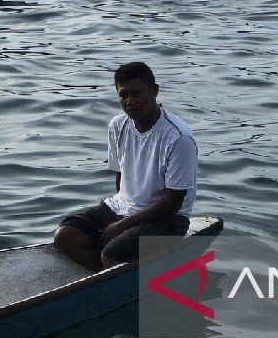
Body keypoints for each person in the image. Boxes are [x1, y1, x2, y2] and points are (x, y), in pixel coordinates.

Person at [54, 62, 198, 271]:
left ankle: (113, 279)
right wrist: (121, 218)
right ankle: (104, 279)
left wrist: (122, 226)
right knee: (65, 236)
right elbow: (120, 175)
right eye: (123, 95)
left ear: (155, 91)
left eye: (138, 93)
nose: (130, 101)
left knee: (112, 254)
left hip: (168, 220)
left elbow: (173, 203)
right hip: (122, 207)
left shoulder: (178, 137)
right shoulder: (118, 125)